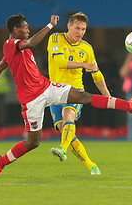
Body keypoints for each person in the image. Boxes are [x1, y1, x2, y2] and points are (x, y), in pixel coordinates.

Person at [0, 13, 132, 177]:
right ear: (15, 29)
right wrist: (49, 25)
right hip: (30, 100)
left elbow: (0, 66)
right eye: (25, 28)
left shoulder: (84, 47)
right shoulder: (11, 44)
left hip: (46, 86)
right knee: (33, 142)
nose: (28, 31)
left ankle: (128, 106)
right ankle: (0, 161)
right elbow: (32, 44)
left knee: (83, 97)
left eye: (83, 29)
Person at [47, 12, 113, 175]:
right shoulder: (55, 38)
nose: (80, 32)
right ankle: (91, 165)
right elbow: (60, 62)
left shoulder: (87, 48)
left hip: (75, 90)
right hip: (54, 92)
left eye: (83, 29)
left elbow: (97, 75)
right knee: (65, 131)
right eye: (77, 28)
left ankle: (61, 149)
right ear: (68, 26)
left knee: (68, 115)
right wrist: (84, 64)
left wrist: (107, 96)